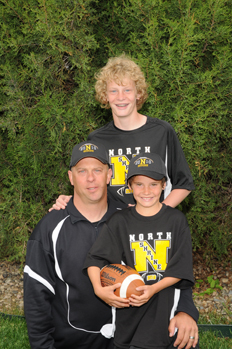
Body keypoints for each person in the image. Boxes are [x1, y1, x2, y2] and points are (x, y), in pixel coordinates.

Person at [50, 55, 198, 348]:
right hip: (115, 233)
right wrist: (71, 196)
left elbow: (183, 183)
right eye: (113, 90)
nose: (121, 97)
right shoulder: (98, 138)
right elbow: (91, 180)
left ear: (139, 93)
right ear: (104, 96)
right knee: (121, 296)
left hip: (154, 229)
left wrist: (154, 213)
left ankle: (173, 321)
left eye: (127, 89)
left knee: (159, 283)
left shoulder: (161, 132)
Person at [84, 152, 198, 349]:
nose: (147, 190)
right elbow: (95, 259)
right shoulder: (120, 222)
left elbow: (181, 269)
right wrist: (99, 289)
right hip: (129, 314)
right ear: (129, 186)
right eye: (139, 184)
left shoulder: (176, 221)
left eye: (153, 184)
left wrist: (153, 288)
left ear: (164, 185)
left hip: (164, 312)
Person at [23, 141, 127, 349]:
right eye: (82, 171)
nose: (90, 178)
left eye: (98, 170)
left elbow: (162, 271)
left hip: (128, 340)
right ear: (71, 177)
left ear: (109, 175)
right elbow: (36, 298)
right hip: (72, 344)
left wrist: (184, 310)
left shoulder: (130, 220)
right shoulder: (50, 228)